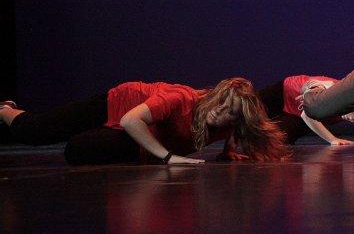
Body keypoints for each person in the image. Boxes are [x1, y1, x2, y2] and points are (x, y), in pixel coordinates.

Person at [0, 77, 289, 165]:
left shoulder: (228, 124)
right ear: (213, 96)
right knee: (32, 132)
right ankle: (3, 109)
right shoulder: (181, 99)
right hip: (117, 106)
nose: (220, 113)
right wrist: (169, 157)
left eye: (231, 112)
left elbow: (237, 129)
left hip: (136, 133)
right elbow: (130, 120)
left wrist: (228, 150)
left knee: (79, 150)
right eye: (220, 104)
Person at [258, 75, 354, 145]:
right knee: (251, 113)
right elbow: (307, 113)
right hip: (286, 93)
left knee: (275, 139)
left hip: (304, 117)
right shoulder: (337, 91)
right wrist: (332, 139)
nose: (352, 118)